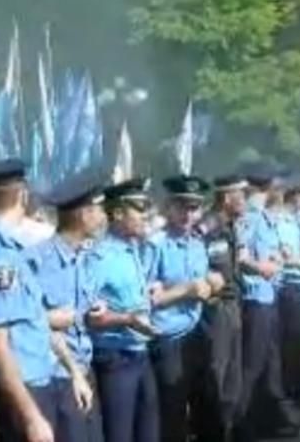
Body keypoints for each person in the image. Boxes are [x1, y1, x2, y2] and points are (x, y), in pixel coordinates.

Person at [0, 159, 87, 442]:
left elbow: (33, 320)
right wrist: (31, 417)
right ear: (23, 194)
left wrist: (72, 370)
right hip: (23, 389)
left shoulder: (4, 248)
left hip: (33, 383)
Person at [28, 171, 107, 442]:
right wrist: (48, 318)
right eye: (98, 209)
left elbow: (80, 311)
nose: (103, 215)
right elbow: (29, 318)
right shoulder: (39, 261)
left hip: (85, 369)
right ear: (83, 215)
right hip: (59, 377)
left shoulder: (84, 256)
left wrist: (96, 311)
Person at [87, 177, 160, 442]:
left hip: (140, 354)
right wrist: (128, 318)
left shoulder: (134, 249)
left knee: (148, 433)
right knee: (120, 435)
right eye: (139, 209)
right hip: (115, 358)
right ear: (117, 213)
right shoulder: (100, 257)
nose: (146, 215)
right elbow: (88, 316)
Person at [148, 175, 219, 442]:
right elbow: (147, 300)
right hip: (168, 338)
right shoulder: (155, 245)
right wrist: (186, 290)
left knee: (205, 406)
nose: (189, 214)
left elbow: (203, 286)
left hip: (197, 332)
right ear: (169, 207)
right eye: (182, 206)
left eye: (195, 208)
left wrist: (211, 285)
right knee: (172, 413)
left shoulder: (197, 243)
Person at [235, 169, 300, 441]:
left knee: (270, 362)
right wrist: (260, 266)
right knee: (252, 364)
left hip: (269, 295)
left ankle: (268, 419)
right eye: (278, 185)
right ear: (269, 187)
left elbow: (264, 251)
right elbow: (241, 255)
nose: (282, 190)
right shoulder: (250, 217)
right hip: (255, 298)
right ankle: (241, 424)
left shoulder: (265, 217)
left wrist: (277, 255)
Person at [191, 175, 247, 442]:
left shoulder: (230, 225)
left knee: (233, 375)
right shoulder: (209, 228)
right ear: (227, 199)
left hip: (233, 305)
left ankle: (229, 428)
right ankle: (212, 432)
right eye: (241, 196)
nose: (245, 202)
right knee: (217, 373)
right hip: (217, 308)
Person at [273, 184, 300, 406]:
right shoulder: (279, 222)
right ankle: (291, 390)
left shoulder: (299, 221)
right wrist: (297, 260)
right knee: (290, 341)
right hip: (286, 286)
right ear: (296, 195)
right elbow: (282, 257)